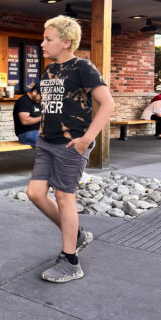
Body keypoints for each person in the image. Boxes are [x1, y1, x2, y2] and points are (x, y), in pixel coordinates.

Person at [27, 15, 115, 283]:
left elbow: (108, 105)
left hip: (71, 145)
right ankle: (76, 235)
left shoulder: (82, 67)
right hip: (47, 142)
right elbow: (49, 103)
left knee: (65, 198)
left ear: (66, 42)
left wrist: (86, 139)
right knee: (35, 193)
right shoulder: (50, 70)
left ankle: (70, 261)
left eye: (48, 39)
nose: (42, 44)